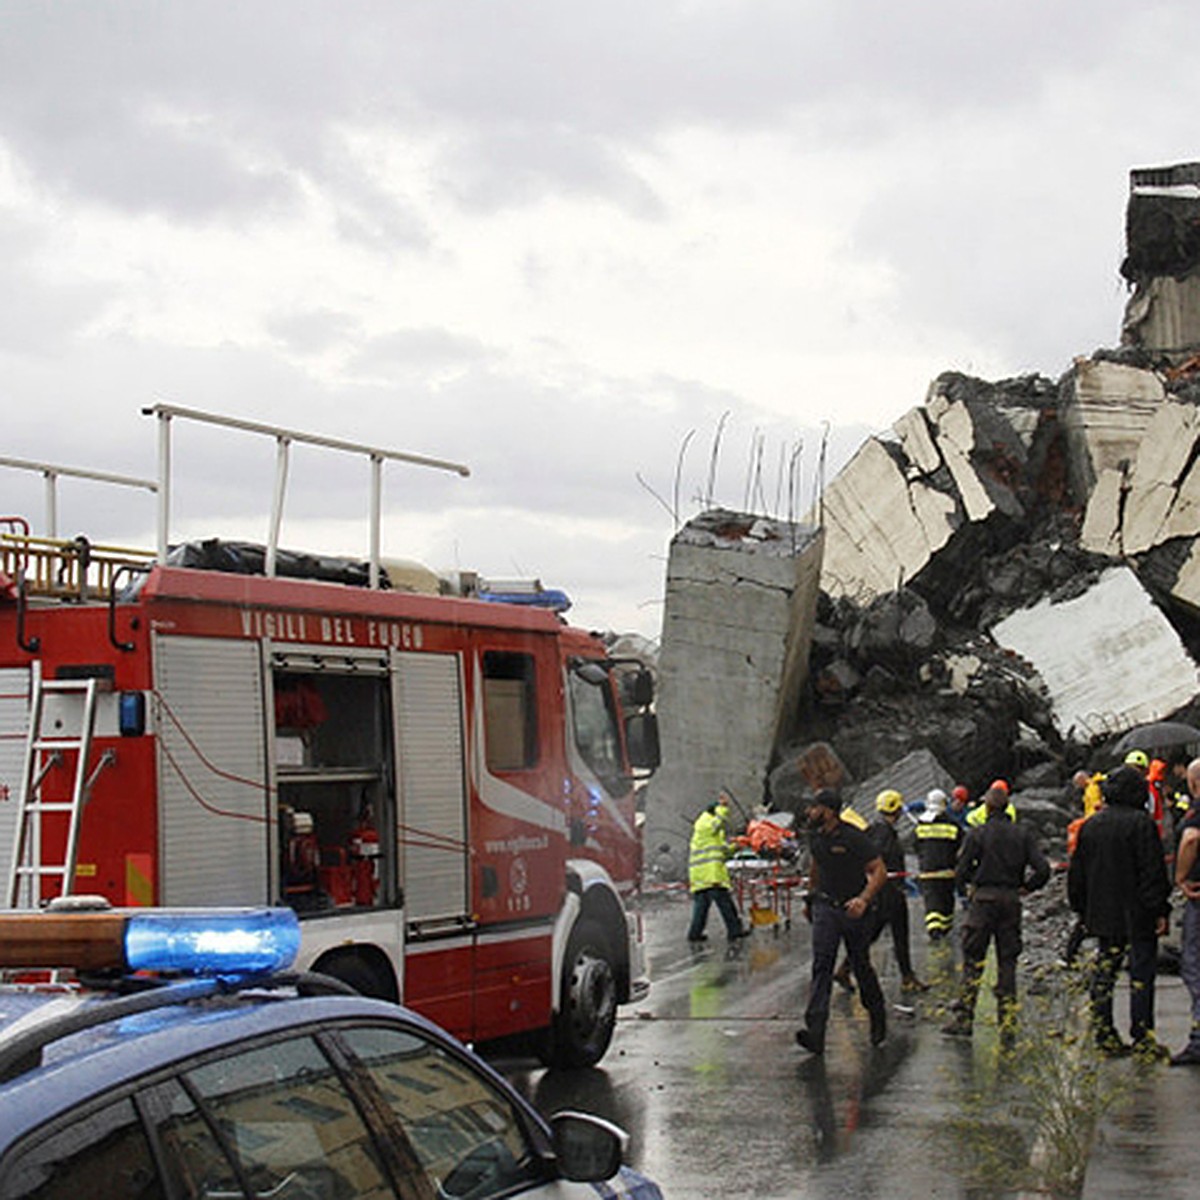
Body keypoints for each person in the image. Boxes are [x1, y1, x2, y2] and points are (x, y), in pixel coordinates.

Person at [1067, 764, 1172, 1060]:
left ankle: (1104, 1033)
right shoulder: (1142, 824)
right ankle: (1142, 1036)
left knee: (1105, 972)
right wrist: (1160, 909)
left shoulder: (1091, 826)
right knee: (1141, 976)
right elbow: (1153, 872)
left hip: (1102, 912)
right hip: (1138, 913)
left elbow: (1078, 874)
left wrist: (1081, 910)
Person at [942, 783, 1050, 1041]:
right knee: (1007, 962)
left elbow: (961, 870)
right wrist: (1026, 887)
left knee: (973, 961)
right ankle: (1008, 1022)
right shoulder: (1022, 835)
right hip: (1011, 901)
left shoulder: (977, 834)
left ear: (987, 807)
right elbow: (1043, 870)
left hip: (983, 900)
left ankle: (965, 1018)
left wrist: (967, 890)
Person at [795, 788, 889, 1055]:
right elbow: (817, 866)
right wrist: (810, 899)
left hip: (853, 909)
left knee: (860, 965)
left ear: (828, 811)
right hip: (826, 907)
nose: (809, 813)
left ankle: (877, 1016)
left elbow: (878, 870)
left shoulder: (853, 837)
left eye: (814, 808)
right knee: (821, 965)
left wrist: (864, 899)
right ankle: (815, 1032)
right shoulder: (816, 837)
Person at [686, 792, 748, 944]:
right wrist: (723, 807)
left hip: (701, 874)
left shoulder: (709, 830)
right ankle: (735, 931)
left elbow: (722, 850)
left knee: (702, 906)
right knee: (725, 903)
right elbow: (718, 823)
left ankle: (695, 933)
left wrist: (736, 846)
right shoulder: (705, 822)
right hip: (710, 873)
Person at [1171, 759, 1200, 1066]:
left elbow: (1191, 838)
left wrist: (1180, 877)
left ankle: (1199, 1039)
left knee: (1194, 966)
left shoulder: (1197, 811)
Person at [1061, 770, 1103, 967]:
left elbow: (1093, 810)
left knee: (1085, 922)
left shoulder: (1093, 789)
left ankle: (1071, 955)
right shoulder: (1094, 787)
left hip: (1092, 832)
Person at [915, 788, 962, 942]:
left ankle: (935, 930)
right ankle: (943, 929)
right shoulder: (953, 826)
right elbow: (960, 846)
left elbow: (916, 846)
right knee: (946, 902)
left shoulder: (920, 825)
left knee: (932, 903)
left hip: (927, 872)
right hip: (947, 872)